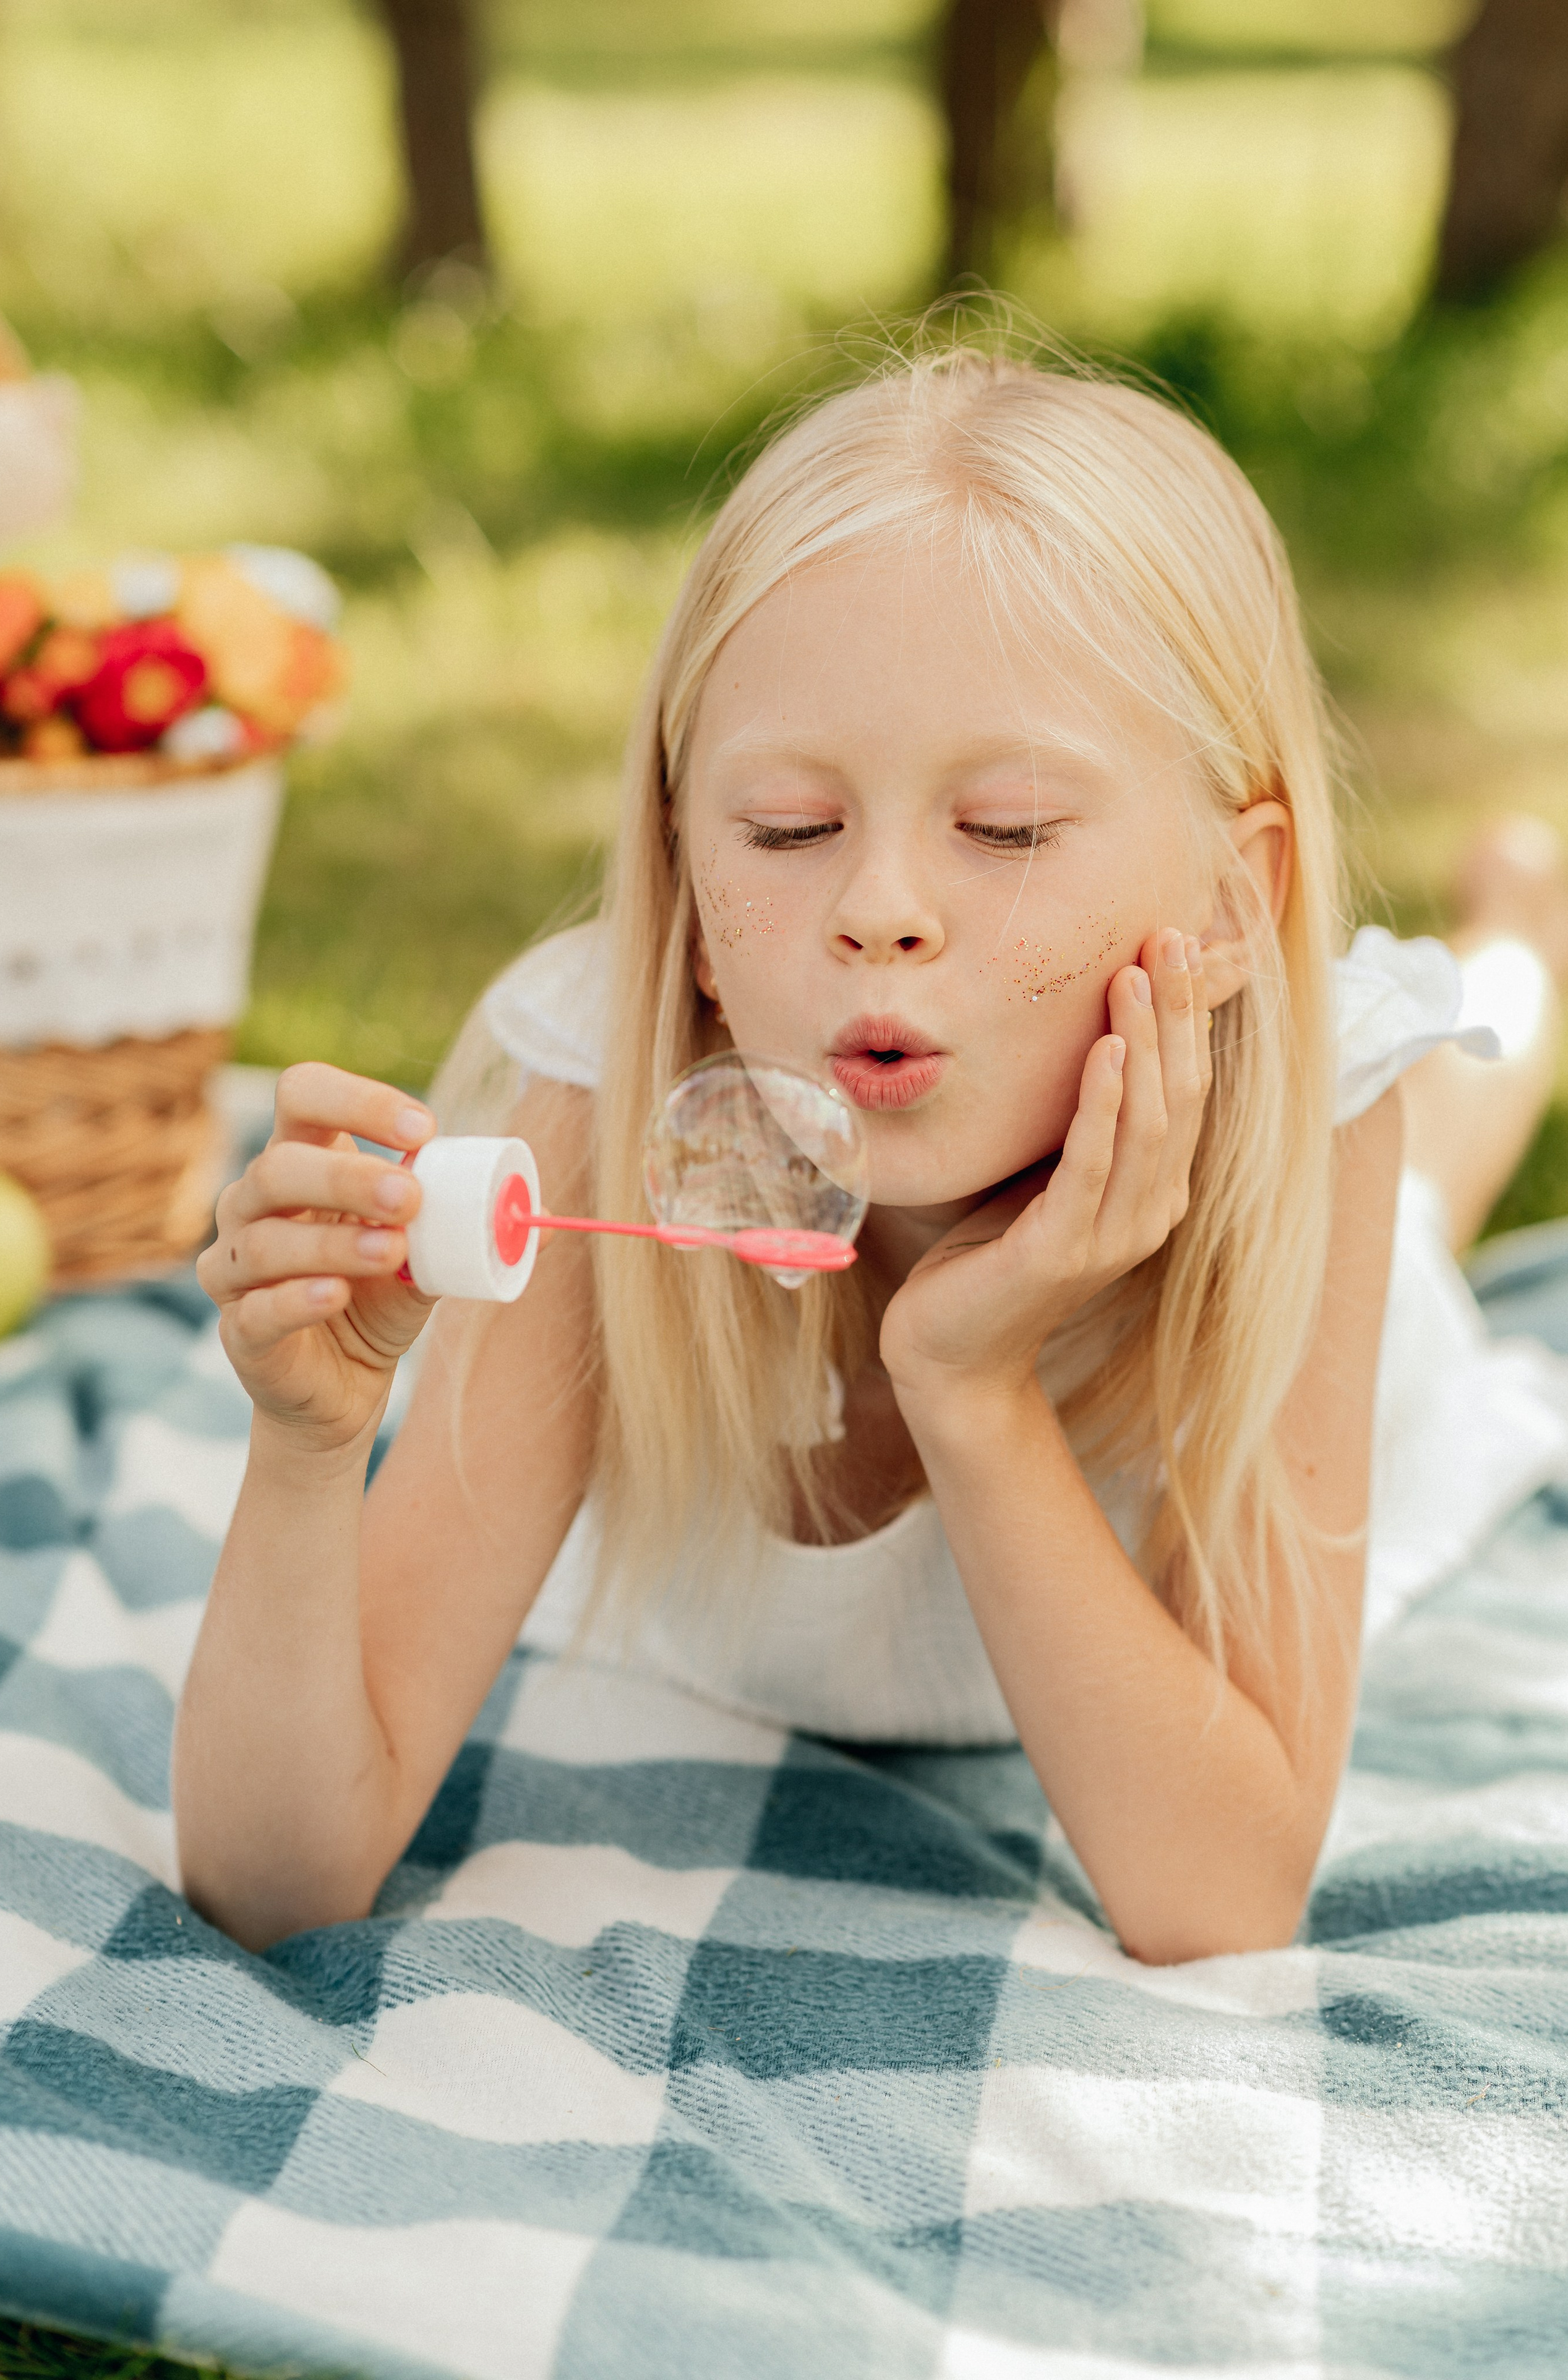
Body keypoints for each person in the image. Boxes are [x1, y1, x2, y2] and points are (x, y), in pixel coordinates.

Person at [176, 345, 1568, 1965]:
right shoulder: (599, 1120)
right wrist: (303, 1456)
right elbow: (277, 1878)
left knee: (1436, 1180)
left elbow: (1221, 1896)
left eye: (1008, 828)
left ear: (1235, 901)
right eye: (786, 827)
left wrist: (971, 1387)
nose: (878, 907)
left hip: (1295, 1209)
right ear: (691, 888)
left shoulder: (1309, 1126)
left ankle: (1523, 934)